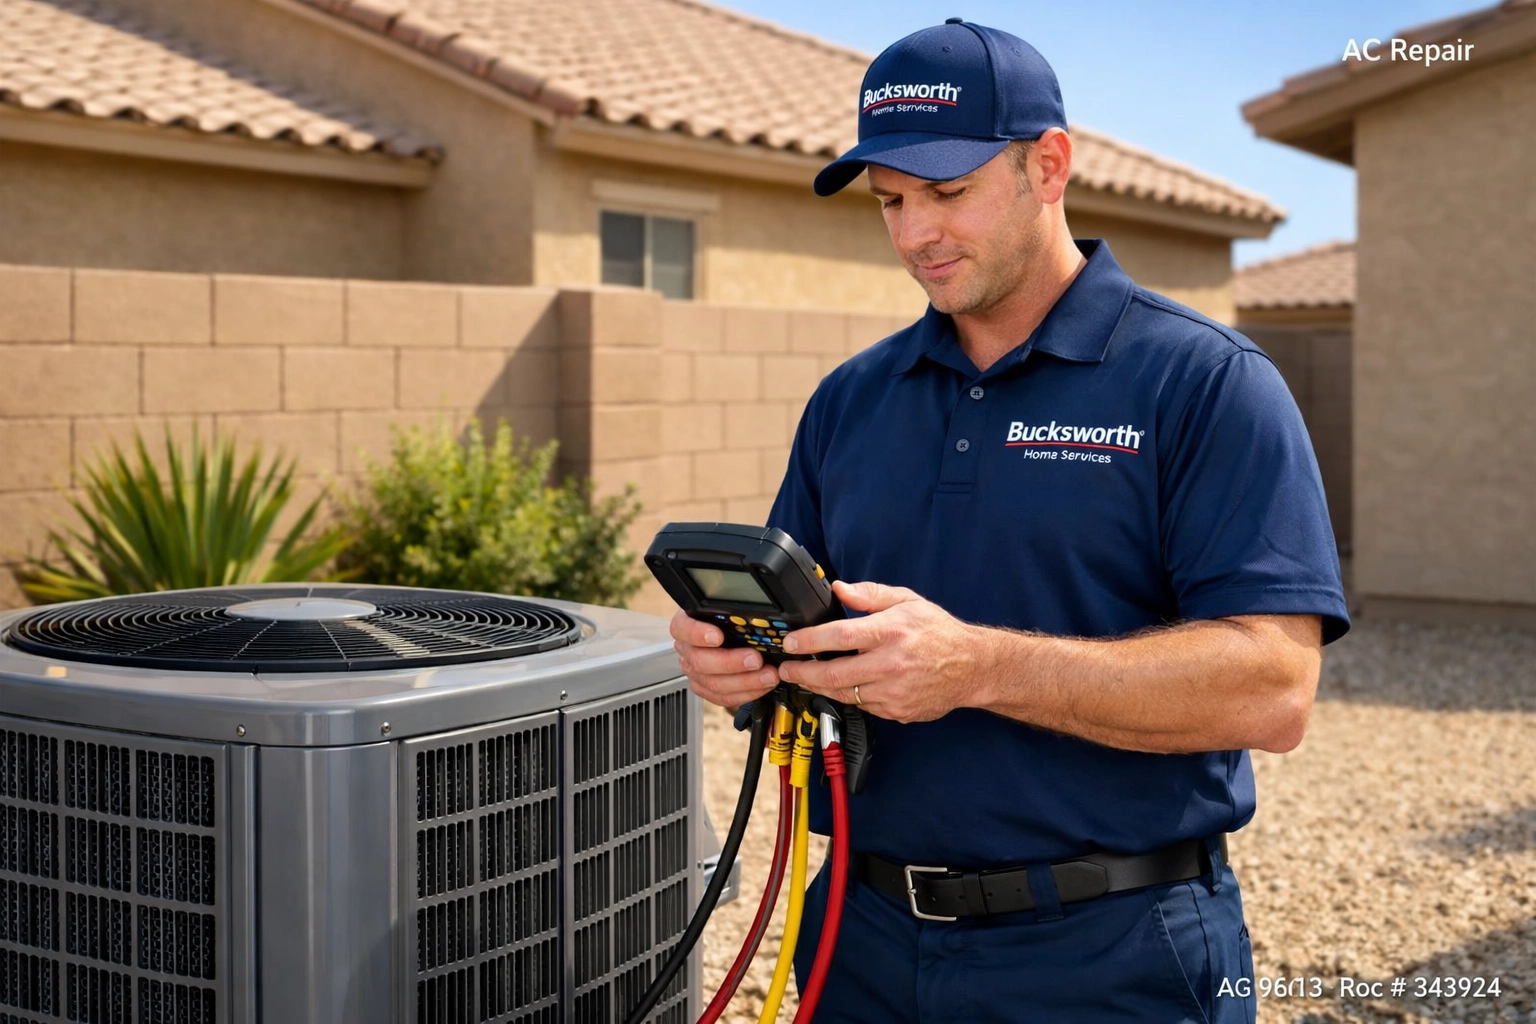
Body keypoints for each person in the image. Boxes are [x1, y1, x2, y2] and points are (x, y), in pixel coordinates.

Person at [671, 18, 1348, 1023]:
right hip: (857, 937)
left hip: (1112, 953)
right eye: (891, 201)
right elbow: (808, 645)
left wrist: (980, 667)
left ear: (1050, 165)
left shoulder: (1205, 382)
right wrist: (743, 669)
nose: (914, 235)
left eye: (948, 192)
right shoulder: (851, 401)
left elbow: (1274, 688)